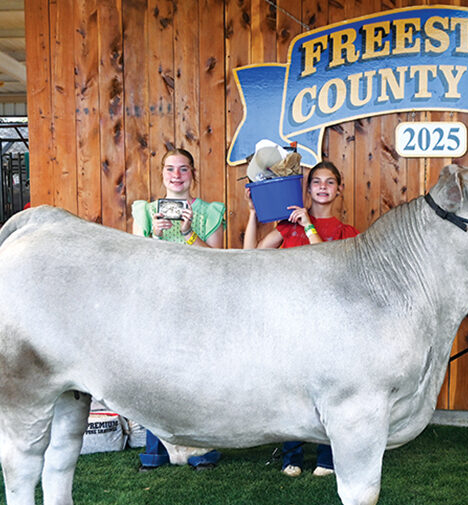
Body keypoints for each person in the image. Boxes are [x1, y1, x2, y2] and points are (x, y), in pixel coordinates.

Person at [243, 161, 357, 477]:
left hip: (329, 323)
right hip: (291, 320)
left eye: (330, 182)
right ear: (307, 189)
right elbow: (250, 256)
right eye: (316, 181)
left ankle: (327, 458)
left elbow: (328, 265)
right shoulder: (286, 227)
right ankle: (291, 456)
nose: (323, 187)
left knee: (330, 389)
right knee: (291, 389)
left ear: (339, 189)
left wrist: (309, 226)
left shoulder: (347, 233)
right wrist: (253, 213)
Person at [131, 147, 225, 469]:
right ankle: (156, 450)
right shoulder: (146, 212)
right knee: (154, 375)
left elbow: (217, 262)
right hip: (157, 302)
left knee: (198, 375)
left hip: (198, 302)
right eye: (170, 169)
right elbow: (135, 262)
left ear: (193, 174)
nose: (176, 175)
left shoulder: (209, 212)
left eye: (183, 169)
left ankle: (201, 450)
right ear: (162, 174)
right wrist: (155, 237)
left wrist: (188, 233)